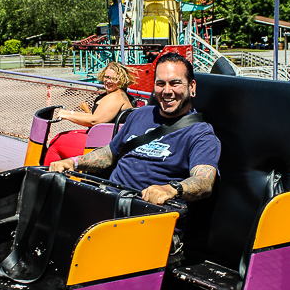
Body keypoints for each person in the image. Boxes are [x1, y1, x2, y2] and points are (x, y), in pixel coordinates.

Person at [49, 52, 220, 209]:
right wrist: (73, 162)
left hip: (149, 213)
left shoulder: (200, 134)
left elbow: (204, 181)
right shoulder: (139, 115)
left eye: (175, 83)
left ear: (192, 87)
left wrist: (170, 189)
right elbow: (109, 153)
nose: (167, 91)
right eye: (160, 84)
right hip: (109, 200)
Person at [44, 61, 134, 166]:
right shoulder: (112, 95)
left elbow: (94, 121)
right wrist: (69, 113)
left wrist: (67, 115)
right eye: (106, 77)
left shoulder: (116, 96)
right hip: (103, 137)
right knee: (60, 135)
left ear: (121, 80)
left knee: (56, 143)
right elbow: (94, 118)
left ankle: (47, 173)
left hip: (105, 145)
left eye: (113, 79)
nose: (108, 81)